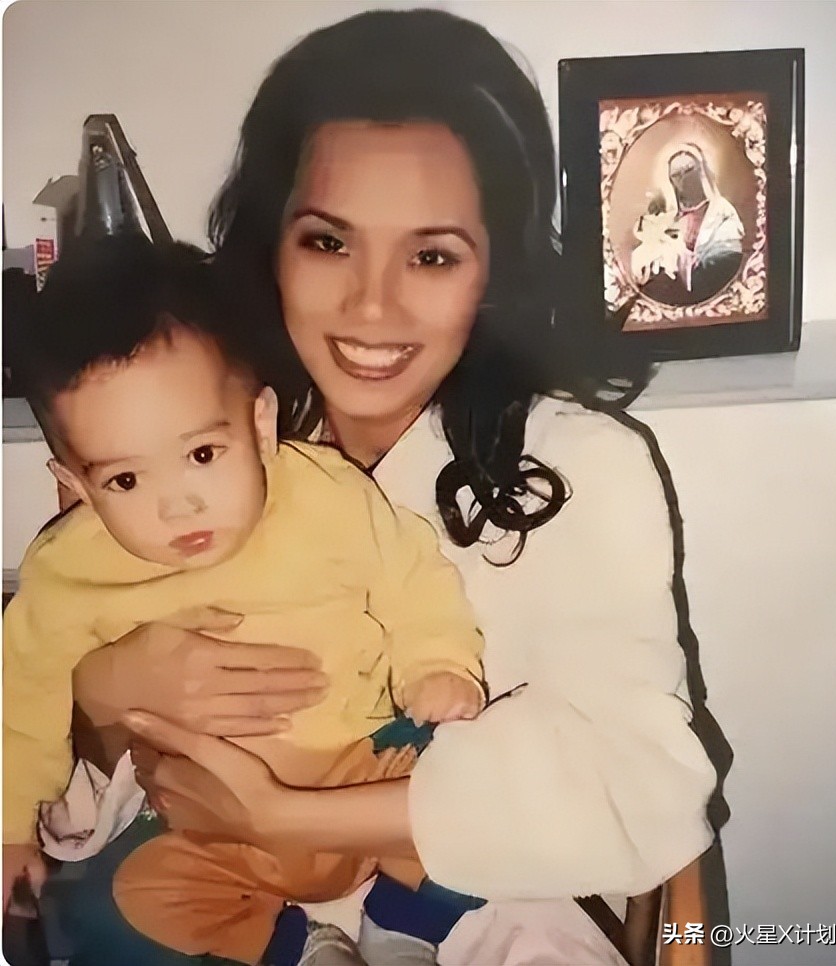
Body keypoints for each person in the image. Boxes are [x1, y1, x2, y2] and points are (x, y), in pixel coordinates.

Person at [44, 9, 729, 966]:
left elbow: (641, 787)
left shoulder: (580, 468)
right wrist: (100, 693)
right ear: (271, 244)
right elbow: (75, 747)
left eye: (432, 255)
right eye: (329, 243)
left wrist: (291, 814)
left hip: (479, 910)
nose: (372, 304)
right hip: (225, 899)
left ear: (495, 271)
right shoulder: (184, 442)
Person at [4, 235, 488, 966]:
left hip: (366, 777)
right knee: (102, 917)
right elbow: (22, 697)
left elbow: (412, 575)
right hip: (209, 823)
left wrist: (437, 665)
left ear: (260, 425)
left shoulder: (325, 494)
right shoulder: (68, 571)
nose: (178, 506)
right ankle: (292, 946)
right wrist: (10, 826)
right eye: (125, 481)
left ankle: (402, 925)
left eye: (202, 455)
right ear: (75, 485)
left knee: (490, 793)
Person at [640, 142, 745, 305]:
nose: (684, 178)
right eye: (677, 174)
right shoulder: (668, 220)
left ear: (701, 171)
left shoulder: (722, 211)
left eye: (689, 170)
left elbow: (728, 256)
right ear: (671, 181)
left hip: (712, 287)